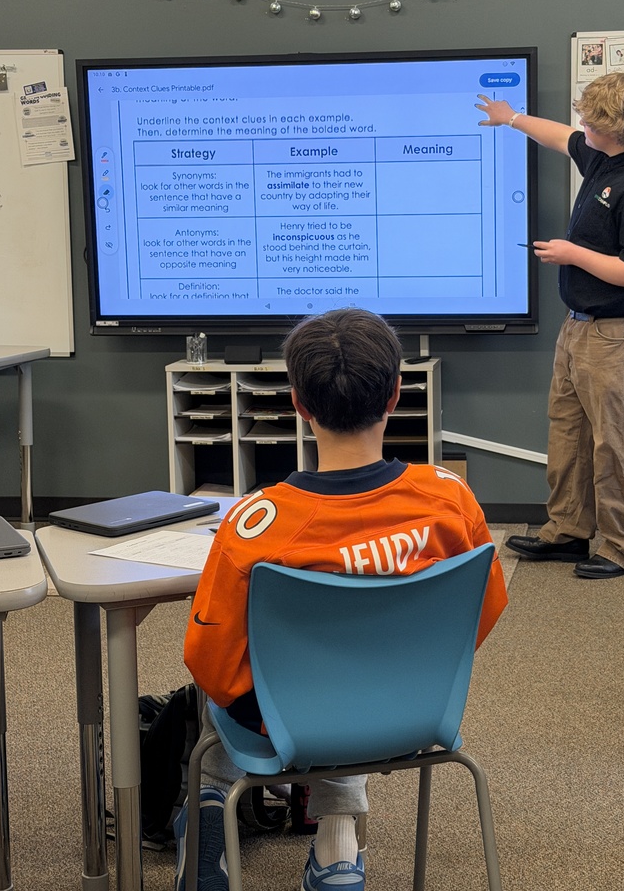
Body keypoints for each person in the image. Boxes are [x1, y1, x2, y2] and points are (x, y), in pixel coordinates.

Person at [177, 307, 508, 891]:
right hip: (416, 709)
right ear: (396, 395)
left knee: (213, 692)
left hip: (293, 723)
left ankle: (209, 805)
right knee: (338, 673)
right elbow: (483, 611)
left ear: (299, 404)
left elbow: (214, 664)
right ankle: (338, 846)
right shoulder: (449, 500)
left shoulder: (260, 522)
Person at [475, 72, 624, 579]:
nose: (581, 125)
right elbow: (561, 138)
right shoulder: (605, 154)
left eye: (590, 120)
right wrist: (510, 119)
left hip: (622, 330)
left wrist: (572, 254)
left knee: (617, 441)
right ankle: (568, 530)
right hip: (582, 325)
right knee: (568, 430)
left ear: (617, 127)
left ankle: (623, 547)